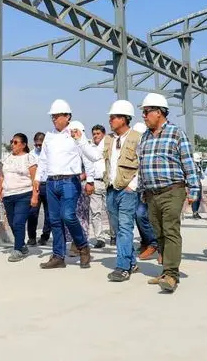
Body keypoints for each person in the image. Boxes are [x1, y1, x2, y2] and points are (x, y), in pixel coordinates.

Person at [135, 92, 200, 293]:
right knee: (159, 232)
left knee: (171, 229)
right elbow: (142, 165)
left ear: (159, 112)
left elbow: (188, 162)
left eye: (147, 111)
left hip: (172, 190)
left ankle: (171, 275)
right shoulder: (145, 136)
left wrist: (194, 189)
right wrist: (142, 190)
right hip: (151, 193)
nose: (144, 116)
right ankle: (165, 271)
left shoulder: (176, 133)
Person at [35, 99, 100, 270]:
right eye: (52, 116)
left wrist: (90, 180)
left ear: (67, 116)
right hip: (51, 182)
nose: (54, 119)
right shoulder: (49, 136)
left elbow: (89, 157)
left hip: (70, 181)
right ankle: (58, 256)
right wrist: (37, 179)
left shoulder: (75, 133)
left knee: (68, 216)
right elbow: (43, 160)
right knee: (55, 220)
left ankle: (83, 246)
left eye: (57, 116)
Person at [101, 100, 144, 282]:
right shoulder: (109, 139)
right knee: (118, 229)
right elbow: (96, 157)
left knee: (125, 228)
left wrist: (132, 186)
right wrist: (80, 141)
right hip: (111, 189)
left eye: (114, 117)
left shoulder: (137, 137)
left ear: (124, 118)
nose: (110, 120)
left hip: (127, 191)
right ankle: (131, 262)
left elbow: (142, 163)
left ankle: (122, 267)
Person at [0, 133, 37, 262]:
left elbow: (35, 179)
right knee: (12, 223)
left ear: (23, 145)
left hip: (24, 194)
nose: (13, 144)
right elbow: (2, 177)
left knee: (19, 222)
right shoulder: (7, 158)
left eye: (16, 142)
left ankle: (17, 250)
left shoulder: (29, 158)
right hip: (8, 195)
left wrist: (35, 196)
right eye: (12, 142)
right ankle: (22, 245)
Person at [66, 120, 93, 253]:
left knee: (81, 216)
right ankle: (74, 241)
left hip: (81, 185)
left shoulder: (85, 146)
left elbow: (90, 165)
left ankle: (79, 243)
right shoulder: (68, 147)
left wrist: (86, 178)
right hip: (69, 184)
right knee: (70, 214)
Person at [26, 131, 51, 246]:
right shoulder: (31, 155)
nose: (38, 146)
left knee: (49, 213)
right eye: (36, 144)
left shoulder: (51, 153)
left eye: (40, 144)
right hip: (35, 186)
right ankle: (31, 237)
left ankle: (45, 236)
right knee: (32, 213)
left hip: (48, 184)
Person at [88, 124, 110, 248]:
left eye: (98, 134)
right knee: (95, 212)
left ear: (103, 134)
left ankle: (114, 234)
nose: (96, 136)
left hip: (107, 182)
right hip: (94, 182)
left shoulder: (109, 146)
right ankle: (100, 238)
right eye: (94, 134)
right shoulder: (89, 148)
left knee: (110, 210)